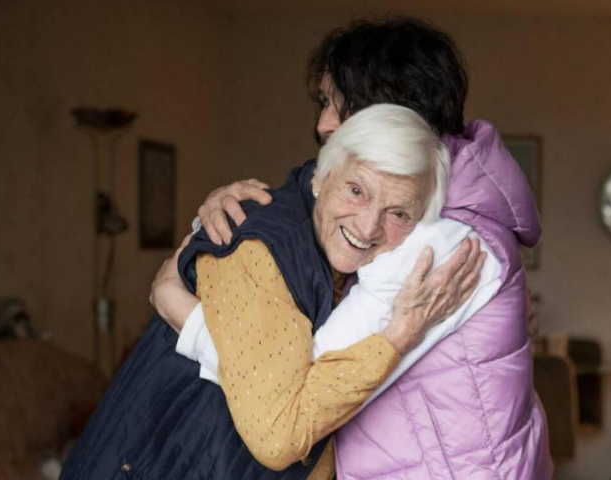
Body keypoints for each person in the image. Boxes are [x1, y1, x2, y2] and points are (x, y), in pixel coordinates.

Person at [163, 17, 553, 480]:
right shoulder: (444, 206)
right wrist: (215, 209)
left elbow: (294, 398)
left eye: (338, 104)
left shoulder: (442, 243)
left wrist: (183, 314)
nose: (322, 122)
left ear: (391, 116)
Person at [61, 104, 482, 480]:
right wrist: (400, 336)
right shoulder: (265, 251)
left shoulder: (350, 265)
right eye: (356, 191)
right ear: (322, 178)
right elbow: (279, 437)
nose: (369, 227)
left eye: (399, 213)